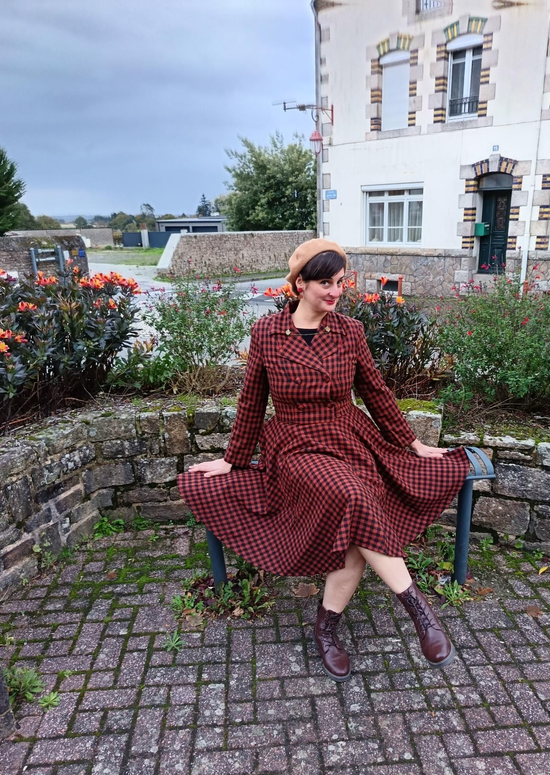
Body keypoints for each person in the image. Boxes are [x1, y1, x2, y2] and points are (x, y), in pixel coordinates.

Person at [178, 238, 469, 681]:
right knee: (351, 496)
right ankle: (421, 613)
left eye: (339, 282)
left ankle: (325, 629)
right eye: (324, 283)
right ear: (298, 285)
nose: (335, 292)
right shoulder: (267, 333)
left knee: (353, 533)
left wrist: (412, 444)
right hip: (294, 443)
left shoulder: (349, 330)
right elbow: (252, 401)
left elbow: (374, 391)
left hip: (350, 436)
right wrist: (232, 460)